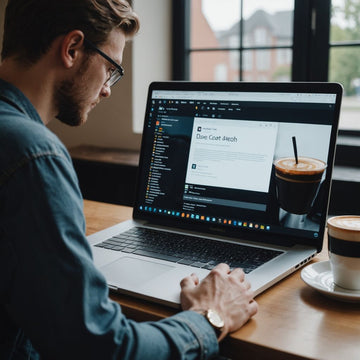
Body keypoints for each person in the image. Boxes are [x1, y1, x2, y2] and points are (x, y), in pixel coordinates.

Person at [0, 0, 258, 359]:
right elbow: (103, 348)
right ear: (72, 48)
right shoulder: (34, 156)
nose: (107, 89)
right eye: (111, 69)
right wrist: (210, 318)